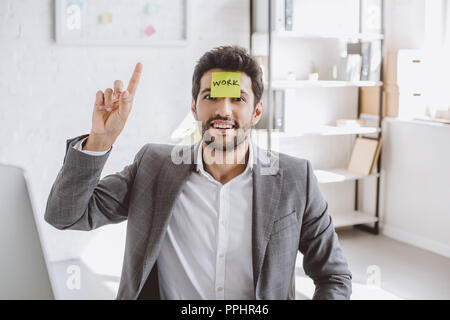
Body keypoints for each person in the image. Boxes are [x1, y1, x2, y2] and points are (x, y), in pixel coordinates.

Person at [45, 45, 352, 300]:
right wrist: (100, 140)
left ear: (256, 111)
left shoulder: (297, 179)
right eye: (211, 97)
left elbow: (334, 277)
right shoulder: (153, 166)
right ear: (194, 107)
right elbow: (66, 215)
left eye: (238, 99)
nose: (224, 111)